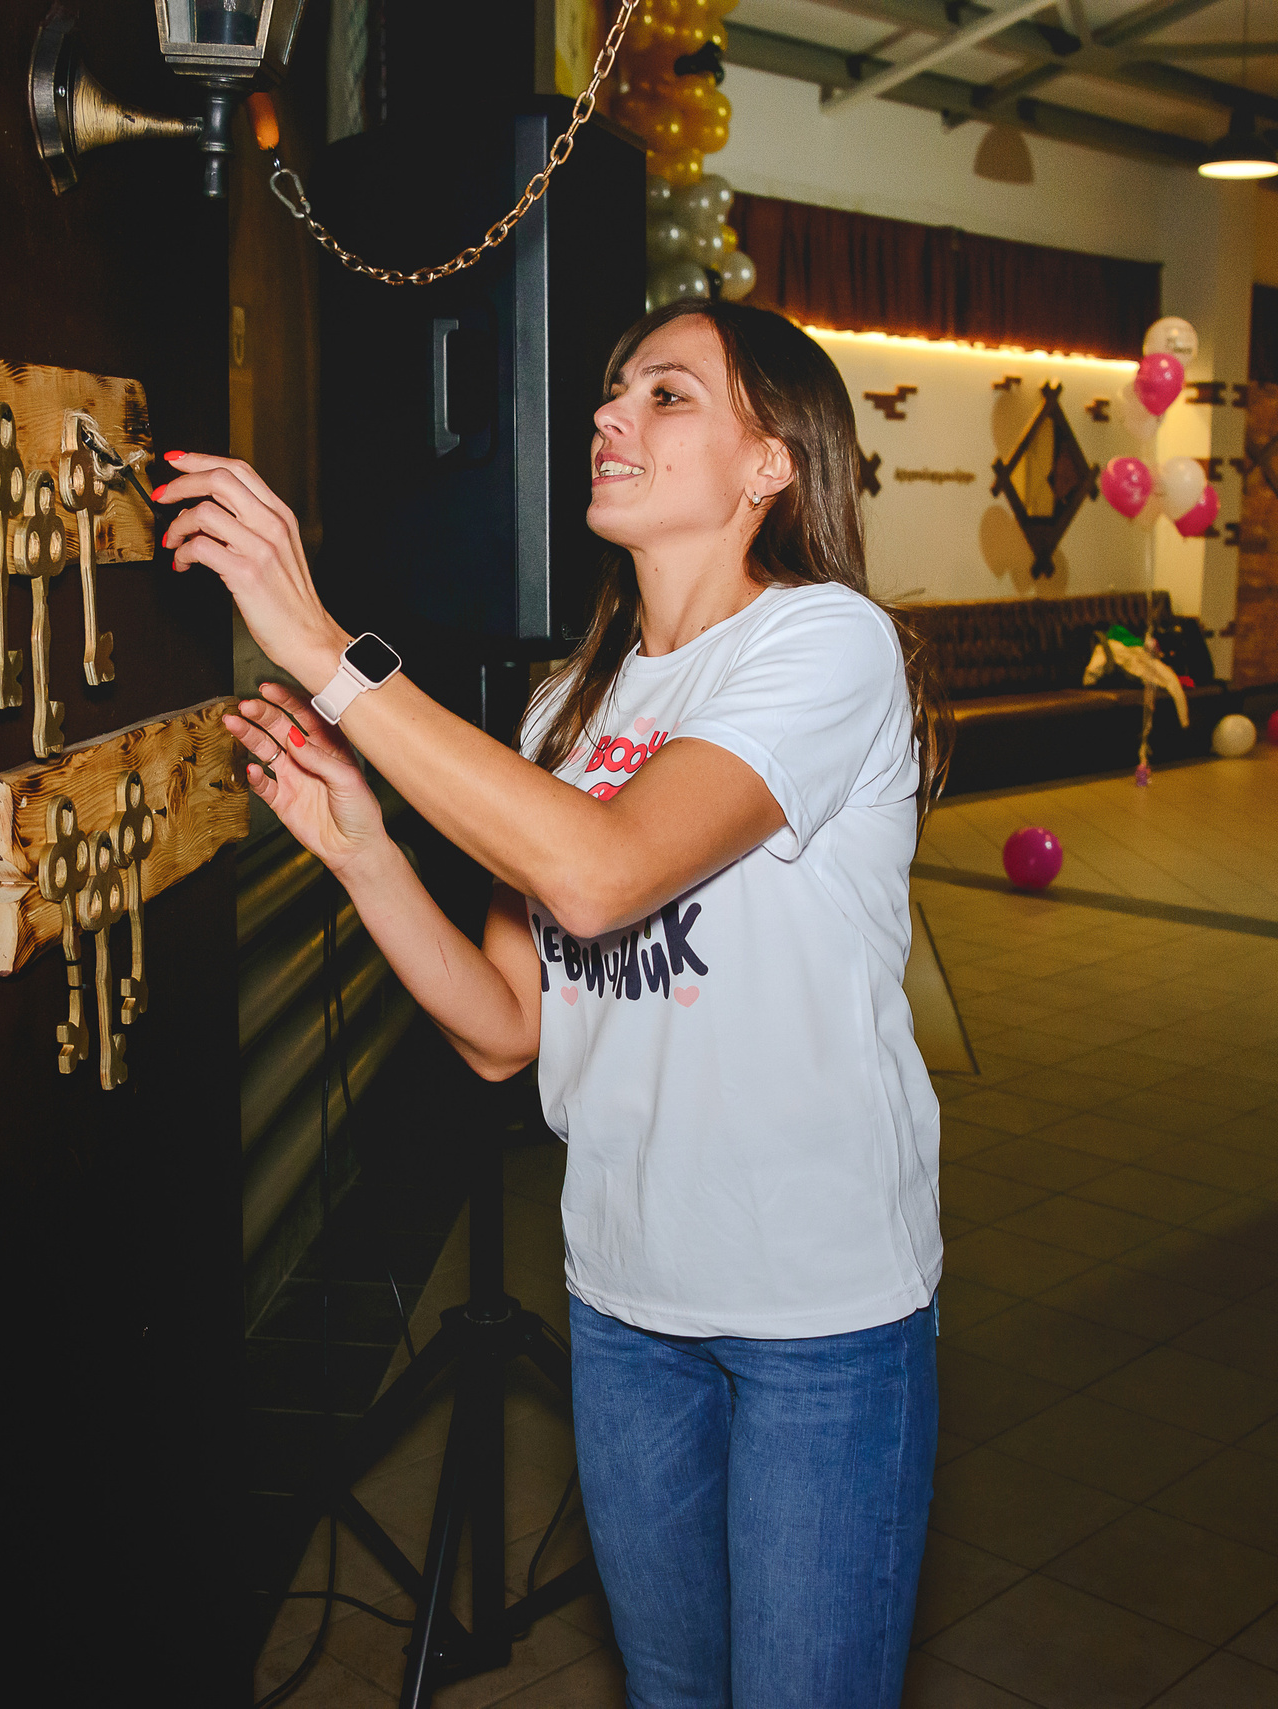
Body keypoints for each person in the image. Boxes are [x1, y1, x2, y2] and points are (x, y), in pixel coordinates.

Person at [158, 299, 952, 1709]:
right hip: (625, 1297)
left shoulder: (827, 648)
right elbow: (503, 1026)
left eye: (667, 394)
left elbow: (602, 875)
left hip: (817, 1312)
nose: (609, 415)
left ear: (773, 462)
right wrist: (359, 844)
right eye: (609, 389)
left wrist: (324, 645)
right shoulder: (560, 715)